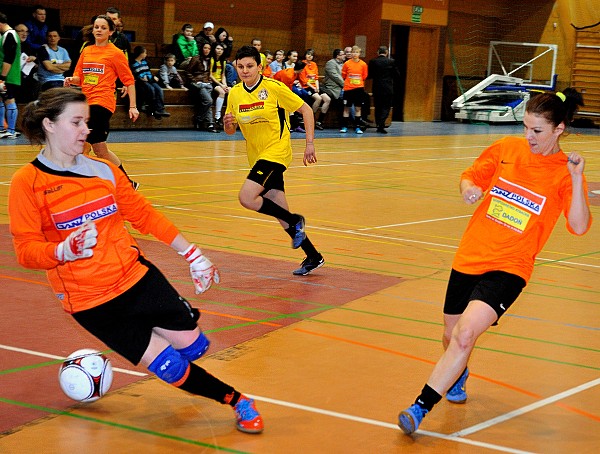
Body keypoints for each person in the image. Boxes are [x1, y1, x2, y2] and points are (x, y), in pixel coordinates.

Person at [8, 87, 264, 435]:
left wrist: (193, 255)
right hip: (91, 301)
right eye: (77, 122)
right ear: (49, 125)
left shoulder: (103, 170)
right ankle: (238, 401)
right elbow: (26, 251)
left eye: (87, 122)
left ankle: (164, 340)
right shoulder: (27, 183)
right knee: (170, 366)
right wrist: (61, 252)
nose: (86, 130)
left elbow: (144, 215)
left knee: (195, 346)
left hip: (136, 278)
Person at [397, 88, 591, 435]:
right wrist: (468, 189)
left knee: (465, 334)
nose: (528, 136)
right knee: (450, 334)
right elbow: (470, 175)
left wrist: (576, 179)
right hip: (471, 254)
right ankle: (458, 374)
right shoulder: (506, 149)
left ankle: (419, 407)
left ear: (559, 129)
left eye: (537, 130)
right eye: (526, 127)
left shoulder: (564, 172)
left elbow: (578, 226)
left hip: (511, 265)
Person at [224, 46, 325, 276]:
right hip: (257, 156)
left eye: (250, 66)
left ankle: (295, 220)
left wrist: (309, 144)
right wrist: (228, 124)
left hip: (276, 152)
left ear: (260, 67)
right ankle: (313, 255)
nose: (245, 71)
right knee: (279, 211)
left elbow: (307, 110)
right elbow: (230, 130)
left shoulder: (274, 88)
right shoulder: (235, 93)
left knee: (246, 197)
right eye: (240, 67)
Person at [64, 15, 140, 188]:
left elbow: (129, 81)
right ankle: (127, 184)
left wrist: (133, 106)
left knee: (82, 146)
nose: (98, 30)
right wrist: (71, 80)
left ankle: (81, 186)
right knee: (100, 150)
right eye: (96, 27)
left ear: (111, 32)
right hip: (87, 103)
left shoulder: (115, 53)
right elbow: (80, 78)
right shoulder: (87, 50)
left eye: (103, 27)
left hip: (102, 103)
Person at [185, 42, 219, 133]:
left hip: (207, 83)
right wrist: (195, 81)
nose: (207, 50)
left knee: (208, 103)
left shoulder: (210, 60)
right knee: (209, 101)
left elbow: (208, 73)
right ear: (202, 48)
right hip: (198, 84)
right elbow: (188, 72)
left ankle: (210, 124)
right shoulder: (196, 58)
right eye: (205, 48)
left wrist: (209, 80)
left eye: (209, 48)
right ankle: (199, 119)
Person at [131, 45, 170, 118]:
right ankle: (153, 109)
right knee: (151, 89)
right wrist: (144, 78)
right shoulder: (133, 63)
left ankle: (160, 109)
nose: (146, 54)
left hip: (149, 80)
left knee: (159, 89)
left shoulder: (145, 62)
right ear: (141, 54)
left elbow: (148, 72)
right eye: (145, 53)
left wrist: (152, 77)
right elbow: (137, 75)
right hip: (141, 82)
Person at [0, 12, 21, 140]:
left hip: (9, 75)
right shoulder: (4, 35)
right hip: (5, 75)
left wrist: (2, 77)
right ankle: (2, 129)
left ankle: (11, 130)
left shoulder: (10, 35)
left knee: (9, 99)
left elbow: (9, 57)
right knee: (2, 99)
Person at [368, 46, 398, 133]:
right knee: (386, 107)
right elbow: (396, 74)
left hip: (377, 87)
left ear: (378, 52)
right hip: (388, 87)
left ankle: (378, 124)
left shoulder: (373, 61)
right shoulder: (391, 61)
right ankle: (381, 123)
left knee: (378, 106)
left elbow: (370, 75)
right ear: (386, 52)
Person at [299, 49, 331, 130]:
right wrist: (313, 88)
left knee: (327, 99)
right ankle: (311, 118)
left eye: (311, 55)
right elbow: (304, 80)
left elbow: (316, 78)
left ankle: (319, 121)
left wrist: (317, 87)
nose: (310, 56)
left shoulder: (314, 64)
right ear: (305, 55)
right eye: (308, 54)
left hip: (315, 86)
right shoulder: (302, 64)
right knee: (318, 98)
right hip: (306, 87)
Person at [340, 45, 368, 134]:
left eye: (357, 52)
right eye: (353, 52)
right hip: (348, 88)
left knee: (358, 108)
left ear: (359, 54)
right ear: (351, 53)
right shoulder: (347, 64)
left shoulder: (363, 64)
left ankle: (357, 127)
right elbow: (343, 75)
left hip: (359, 89)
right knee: (346, 108)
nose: (355, 54)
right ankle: (344, 126)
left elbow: (364, 76)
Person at [15, 23, 40, 103]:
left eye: (26, 32)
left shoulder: (28, 46)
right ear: (14, 32)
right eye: (22, 31)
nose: (25, 34)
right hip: (13, 77)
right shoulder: (10, 45)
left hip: (26, 78)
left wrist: (34, 59)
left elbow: (36, 64)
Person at [321, 48, 346, 128]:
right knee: (343, 100)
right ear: (337, 56)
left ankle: (358, 120)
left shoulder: (343, 64)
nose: (345, 56)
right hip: (333, 88)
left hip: (342, 87)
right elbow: (335, 76)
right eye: (343, 54)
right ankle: (344, 123)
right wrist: (345, 85)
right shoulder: (331, 63)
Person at [210, 43, 229, 127]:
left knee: (231, 91)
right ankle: (217, 116)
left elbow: (223, 75)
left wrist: (225, 85)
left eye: (221, 49)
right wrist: (221, 85)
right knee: (222, 92)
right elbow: (210, 75)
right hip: (213, 82)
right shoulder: (211, 60)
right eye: (218, 49)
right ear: (214, 49)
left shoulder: (223, 61)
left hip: (221, 82)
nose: (219, 51)